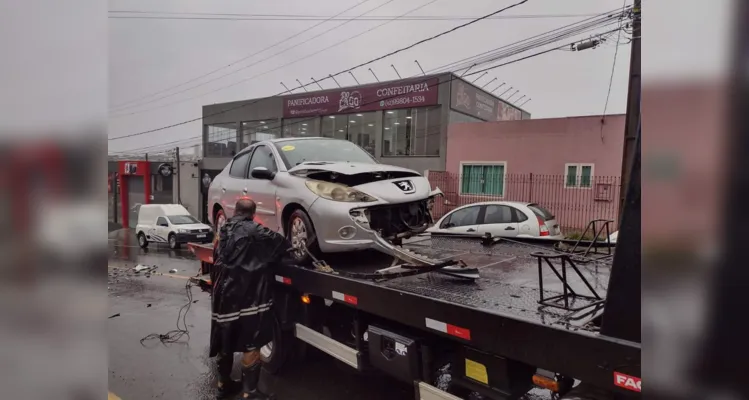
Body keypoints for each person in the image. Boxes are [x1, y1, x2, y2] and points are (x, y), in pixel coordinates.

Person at [209, 199, 292, 399]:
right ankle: (250, 392)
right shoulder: (255, 229)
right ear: (253, 213)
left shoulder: (223, 229)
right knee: (252, 340)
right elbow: (282, 244)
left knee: (226, 337)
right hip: (247, 293)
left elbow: (216, 255)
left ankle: (223, 384)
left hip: (222, 294)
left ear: (235, 211)